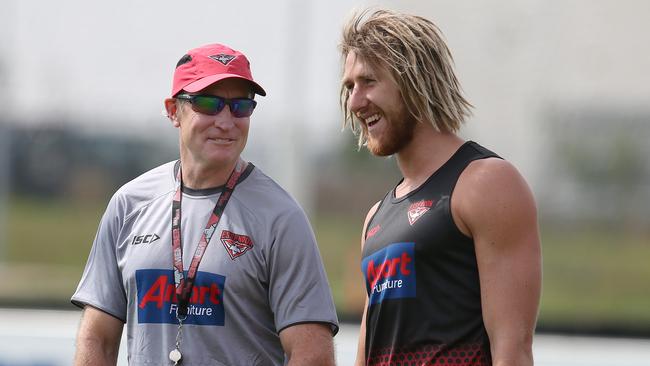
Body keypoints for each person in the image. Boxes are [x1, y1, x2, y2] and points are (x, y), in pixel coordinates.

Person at [71, 43, 338, 365]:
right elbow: (97, 338)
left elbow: (312, 353)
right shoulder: (129, 204)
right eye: (209, 104)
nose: (226, 121)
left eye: (241, 107)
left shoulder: (280, 217)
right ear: (173, 111)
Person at [339, 9, 542, 366]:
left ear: (414, 81)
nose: (355, 102)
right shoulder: (375, 217)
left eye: (368, 81)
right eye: (350, 87)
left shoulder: (487, 183)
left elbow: (513, 349)